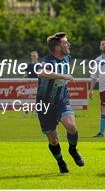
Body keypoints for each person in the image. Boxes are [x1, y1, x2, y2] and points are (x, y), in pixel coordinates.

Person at [35, 32, 84, 173]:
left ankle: (73, 150)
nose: (69, 45)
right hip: (44, 104)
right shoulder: (47, 61)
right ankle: (61, 161)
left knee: (71, 126)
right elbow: (40, 72)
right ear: (57, 48)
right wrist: (63, 76)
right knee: (54, 140)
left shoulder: (67, 58)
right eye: (65, 43)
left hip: (62, 101)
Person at [24, 50, 40, 116]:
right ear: (31, 57)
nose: (33, 57)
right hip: (29, 83)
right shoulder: (29, 65)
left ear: (37, 56)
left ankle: (36, 111)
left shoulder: (39, 65)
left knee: (37, 98)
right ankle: (26, 111)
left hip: (37, 83)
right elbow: (25, 74)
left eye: (35, 56)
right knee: (28, 97)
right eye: (32, 56)